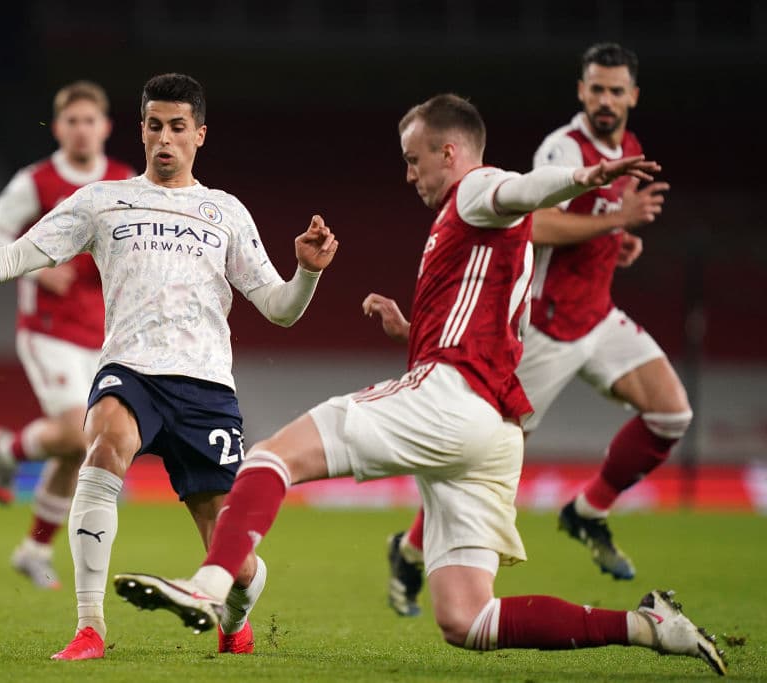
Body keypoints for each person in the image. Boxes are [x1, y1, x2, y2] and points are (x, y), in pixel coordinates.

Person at [111, 94, 725, 676]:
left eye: (413, 158)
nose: (409, 175)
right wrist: (410, 329)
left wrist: (588, 179)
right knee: (468, 618)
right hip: (493, 428)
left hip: (451, 398)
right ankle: (648, 626)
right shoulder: (472, 236)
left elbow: (519, 188)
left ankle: (210, 587)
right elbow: (493, 323)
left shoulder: (475, 190)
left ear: (450, 152)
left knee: (270, 458)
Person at [0, 73, 338, 660]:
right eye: (156, 126)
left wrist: (308, 273)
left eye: (179, 128)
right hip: (130, 369)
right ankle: (90, 627)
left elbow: (280, 310)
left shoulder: (226, 213)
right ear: (141, 131)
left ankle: (234, 617)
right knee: (103, 446)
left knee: (234, 562)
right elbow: (13, 256)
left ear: (200, 135)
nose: (166, 138)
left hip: (206, 385)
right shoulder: (101, 200)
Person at [387, 43, 681, 618]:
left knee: (672, 413)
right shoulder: (562, 147)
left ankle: (587, 512)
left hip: (597, 316)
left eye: (616, 90)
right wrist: (618, 219)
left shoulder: (629, 148)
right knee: (483, 447)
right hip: (545, 328)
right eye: (596, 88)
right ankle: (411, 548)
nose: (605, 99)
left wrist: (616, 240)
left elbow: (590, 227)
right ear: (581, 90)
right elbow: (536, 221)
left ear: (633, 96)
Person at [0, 80, 135, 590]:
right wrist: (36, 269)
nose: (82, 130)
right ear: (59, 127)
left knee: (79, 446)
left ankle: (33, 547)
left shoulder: (124, 180)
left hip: (100, 331)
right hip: (47, 327)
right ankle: (11, 448)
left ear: (104, 127)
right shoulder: (36, 180)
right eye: (72, 121)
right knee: (73, 431)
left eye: (91, 121)